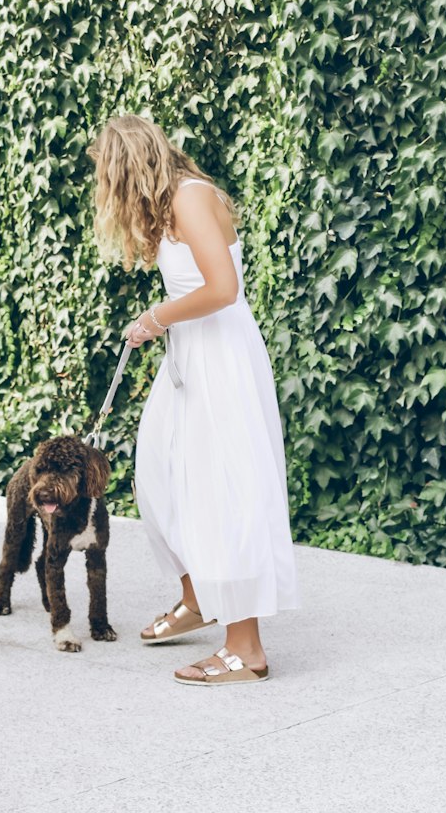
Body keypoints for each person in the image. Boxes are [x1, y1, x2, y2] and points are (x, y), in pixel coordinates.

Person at [87, 114, 299, 685]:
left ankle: (245, 649)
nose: (104, 186)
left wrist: (155, 318)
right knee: (159, 480)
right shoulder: (168, 205)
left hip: (221, 359)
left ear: (130, 164)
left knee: (223, 491)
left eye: (107, 173)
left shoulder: (190, 197)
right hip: (189, 358)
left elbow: (224, 291)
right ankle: (199, 598)